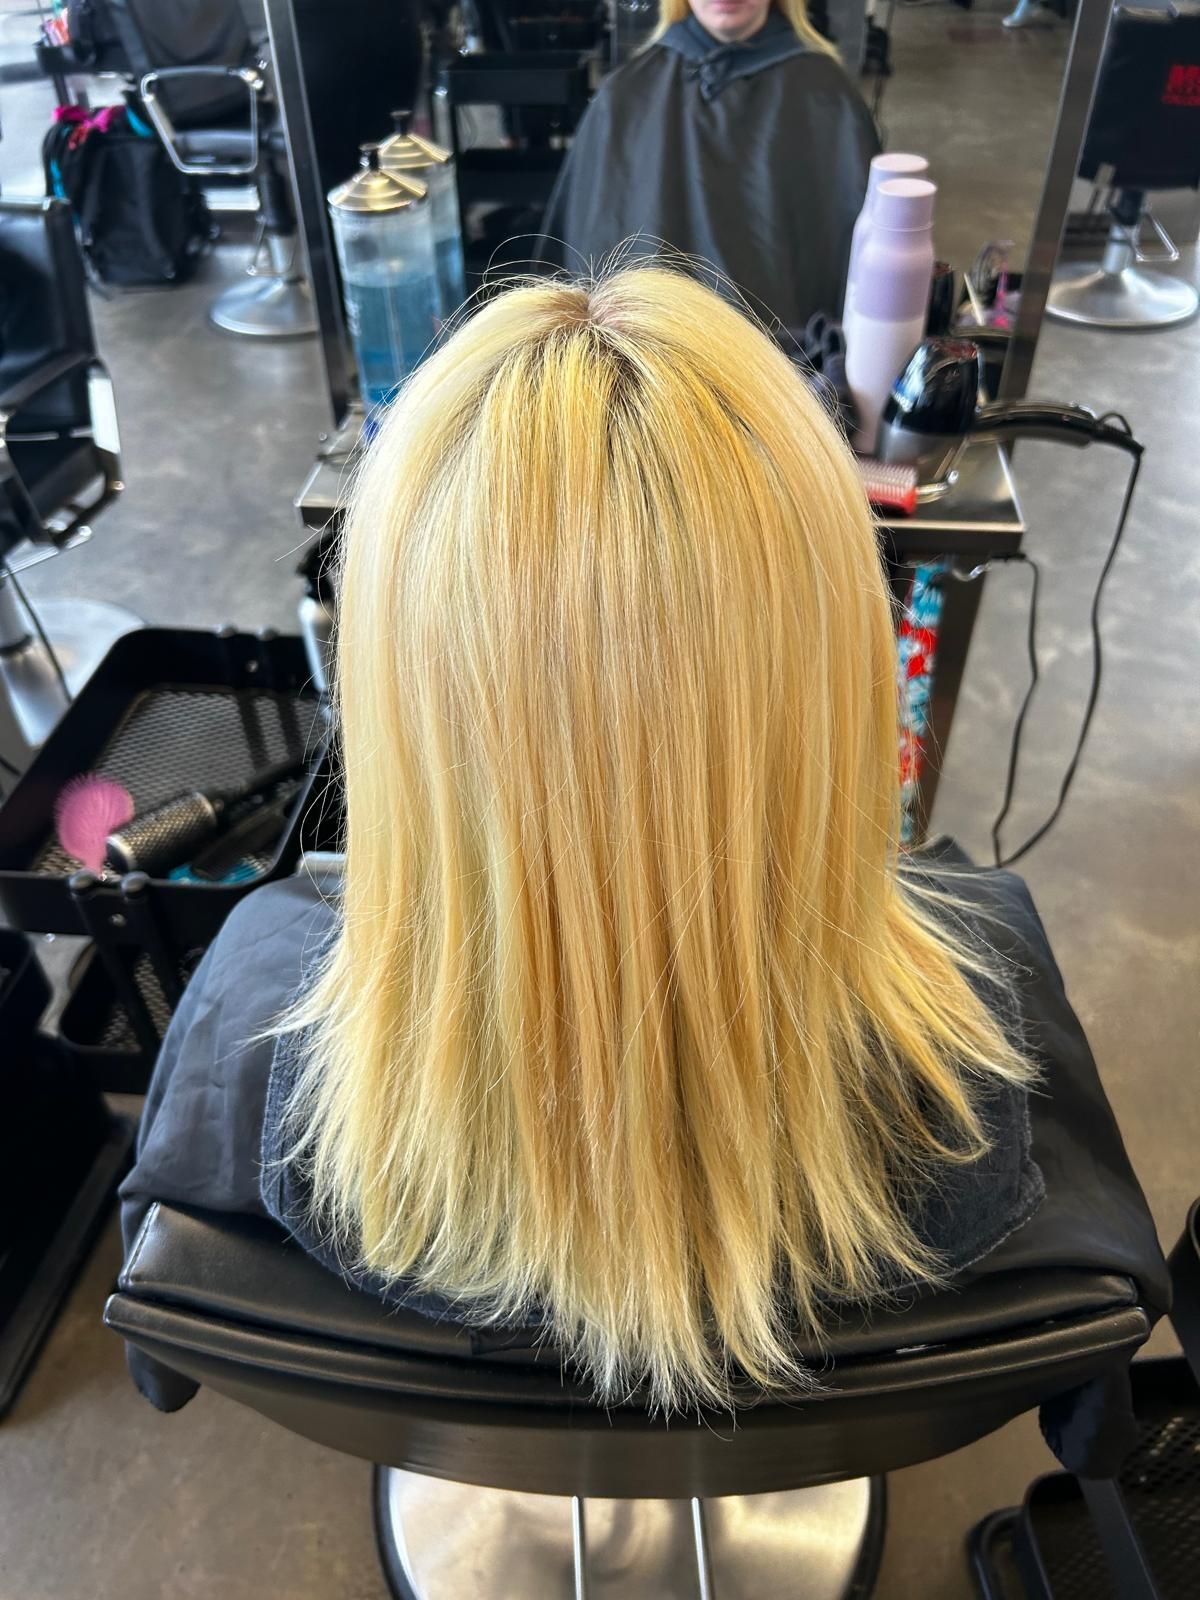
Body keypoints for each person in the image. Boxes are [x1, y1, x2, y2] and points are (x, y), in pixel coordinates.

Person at [120, 268, 1162, 1423]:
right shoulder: (995, 998)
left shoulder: (256, 992)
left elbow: (164, 1328)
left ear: (395, 694)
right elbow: (1090, 1387)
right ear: (839, 668)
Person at [538, 0, 881, 331]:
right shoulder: (625, 97)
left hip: (775, 365)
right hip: (651, 358)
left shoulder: (827, 98)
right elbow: (583, 258)